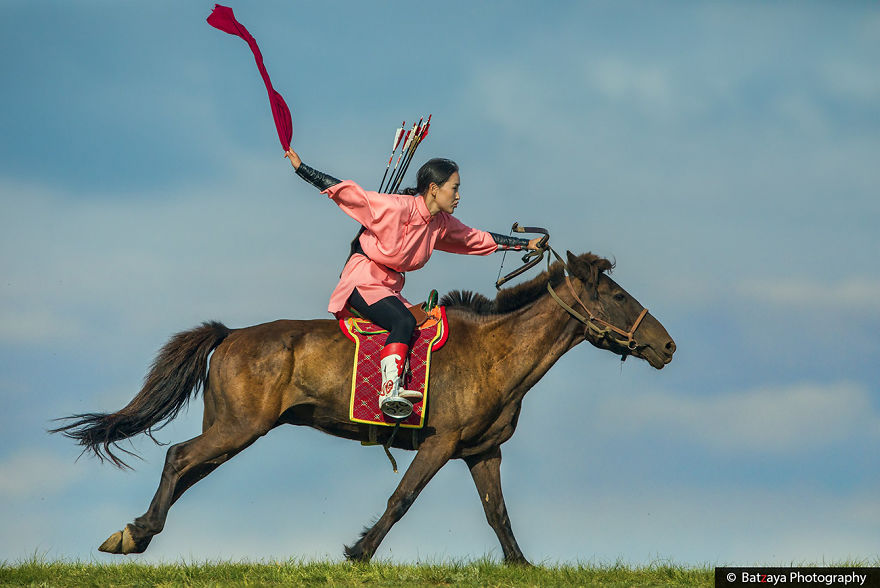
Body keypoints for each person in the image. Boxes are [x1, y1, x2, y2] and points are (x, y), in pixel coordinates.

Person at [284, 148, 540, 419]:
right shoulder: (395, 207)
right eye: (454, 189)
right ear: (433, 189)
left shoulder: (440, 224)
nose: (458, 196)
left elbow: (475, 239)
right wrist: (302, 168)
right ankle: (388, 391)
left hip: (389, 287)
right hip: (362, 280)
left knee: (424, 325)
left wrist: (525, 244)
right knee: (403, 323)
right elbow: (348, 193)